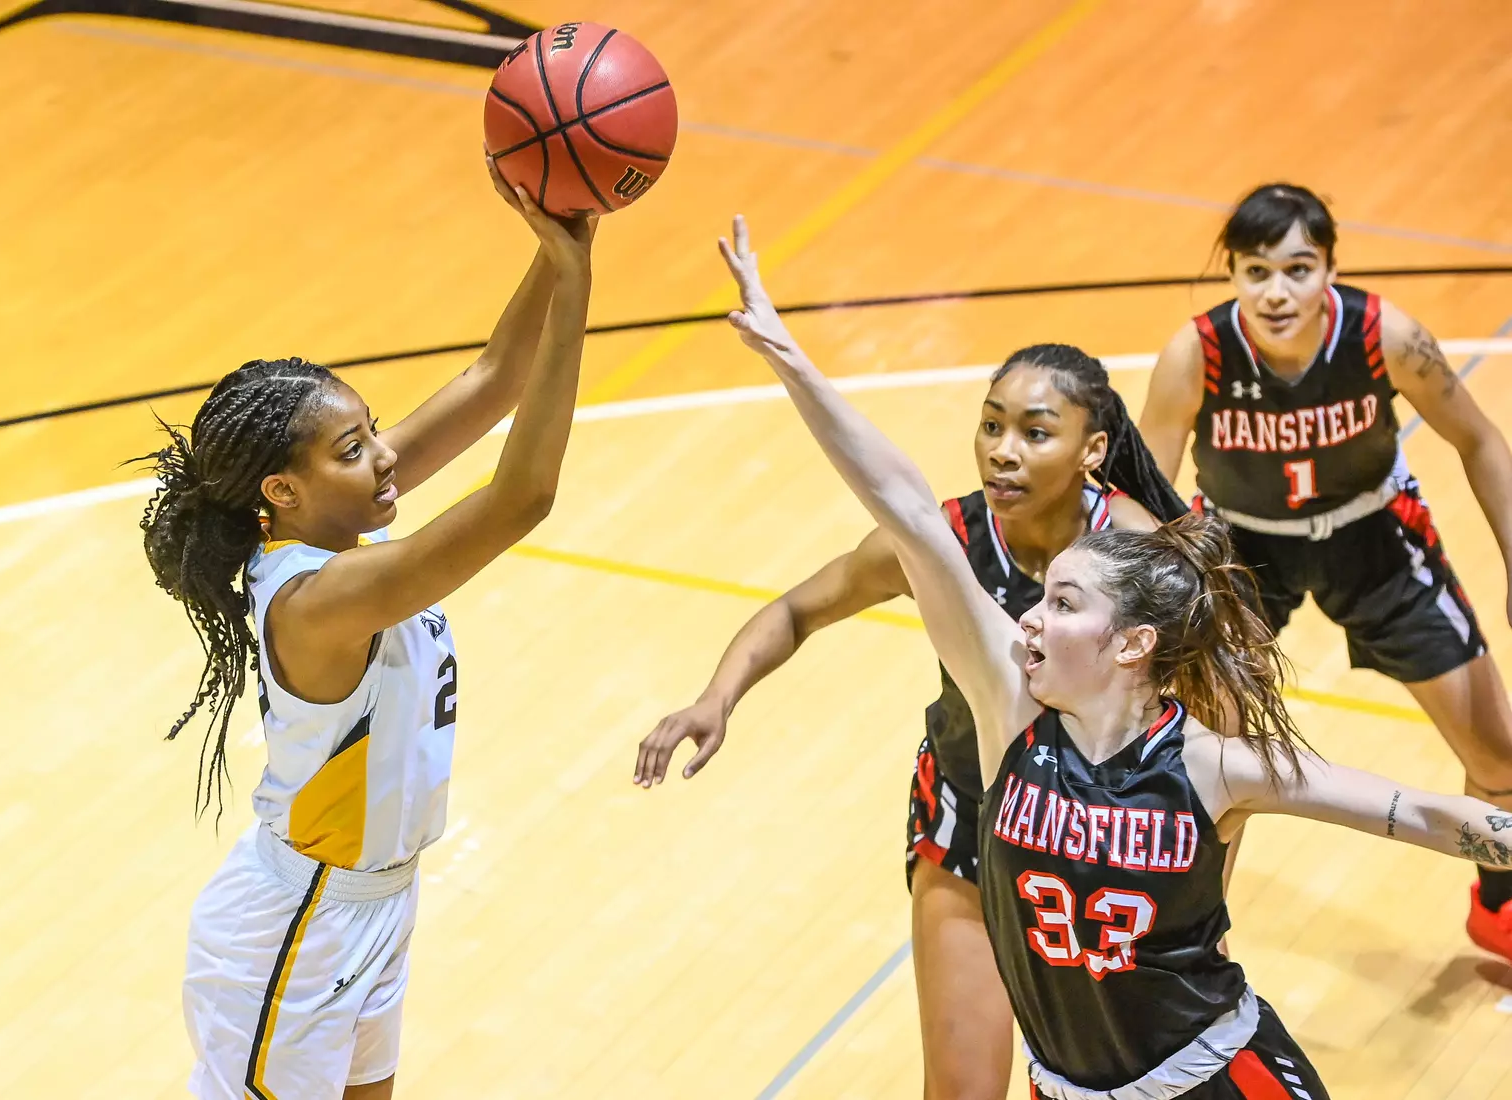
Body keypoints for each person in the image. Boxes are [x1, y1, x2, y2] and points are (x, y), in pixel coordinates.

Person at [715, 213, 1512, 1099]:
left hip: (1214, 1077)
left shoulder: (1209, 764)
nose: (1026, 621)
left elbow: (1418, 814)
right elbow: (901, 504)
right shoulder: (1008, 715)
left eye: (1061, 605)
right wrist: (787, 355)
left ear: (1133, 642)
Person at [135, 163, 595, 1100]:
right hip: (297, 926)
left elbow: (494, 378)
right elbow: (522, 496)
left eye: (373, 430)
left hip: (376, 902)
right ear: (282, 491)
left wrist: (563, 243)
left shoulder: (343, 523)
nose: (385, 456)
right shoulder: (319, 598)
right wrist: (577, 294)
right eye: (353, 449)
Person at [634, 340, 1185, 1099]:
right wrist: (716, 697)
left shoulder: (1136, 553)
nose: (1002, 452)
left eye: (1034, 433)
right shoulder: (944, 541)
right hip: (970, 824)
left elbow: (1211, 707)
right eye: (990, 426)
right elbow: (799, 608)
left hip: (1100, 841)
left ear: (1092, 449)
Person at [1138, 182, 1512, 960]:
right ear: (1232, 275)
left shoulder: (1385, 335)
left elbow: (1478, 439)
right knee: (1215, 756)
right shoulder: (1196, 352)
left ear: (1330, 271)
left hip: (1372, 539)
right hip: (1239, 553)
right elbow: (1141, 496)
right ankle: (1190, 950)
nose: (1275, 292)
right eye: (1255, 272)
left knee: (1498, 756)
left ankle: (1499, 907)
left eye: (1297, 269)